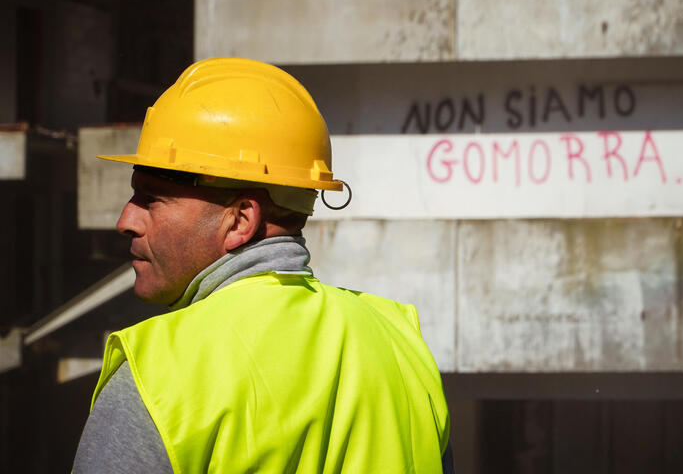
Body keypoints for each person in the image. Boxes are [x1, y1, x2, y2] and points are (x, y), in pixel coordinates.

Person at [73, 58, 453, 473]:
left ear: (239, 220)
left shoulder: (160, 375)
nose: (126, 221)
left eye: (153, 198)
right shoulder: (401, 347)